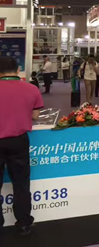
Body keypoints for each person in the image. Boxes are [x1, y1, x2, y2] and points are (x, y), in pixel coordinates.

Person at [0, 57, 43, 236]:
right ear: (18, 70)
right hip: (19, 141)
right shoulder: (32, 89)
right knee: (21, 183)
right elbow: (35, 116)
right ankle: (24, 224)